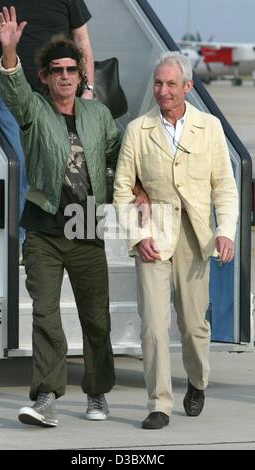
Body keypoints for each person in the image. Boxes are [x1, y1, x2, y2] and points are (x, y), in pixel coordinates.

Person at [0, 6, 119, 427]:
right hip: (45, 226)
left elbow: (120, 158)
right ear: (45, 77)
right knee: (45, 315)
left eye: (71, 68)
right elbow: (12, 91)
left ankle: (98, 392)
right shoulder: (33, 111)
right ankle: (47, 395)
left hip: (85, 225)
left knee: (96, 318)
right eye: (56, 70)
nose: (65, 75)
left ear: (82, 74)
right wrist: (10, 52)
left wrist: (138, 189)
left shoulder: (99, 115)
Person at [113, 51, 239, 429]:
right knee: (152, 323)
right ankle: (158, 403)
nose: (162, 91)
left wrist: (224, 232)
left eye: (171, 84)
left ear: (188, 87)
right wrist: (138, 236)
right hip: (155, 233)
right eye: (158, 83)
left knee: (192, 325)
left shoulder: (210, 127)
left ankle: (198, 381)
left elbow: (225, 188)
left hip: (196, 236)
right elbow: (122, 190)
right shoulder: (138, 129)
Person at [0, 1, 95, 250]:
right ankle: (24, 243)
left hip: (59, 95)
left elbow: (81, 38)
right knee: (20, 166)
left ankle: (76, 236)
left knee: (68, 163)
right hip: (12, 94)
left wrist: (88, 89)